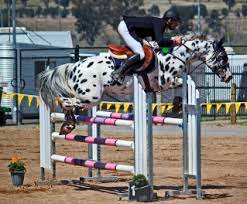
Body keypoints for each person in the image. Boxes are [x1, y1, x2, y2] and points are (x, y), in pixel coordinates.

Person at [111, 7, 182, 84]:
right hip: (127, 28)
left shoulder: (160, 24)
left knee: (145, 49)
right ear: (169, 20)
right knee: (141, 54)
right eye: (176, 21)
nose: (176, 24)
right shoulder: (160, 23)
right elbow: (160, 41)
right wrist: (173, 40)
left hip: (129, 29)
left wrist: (171, 45)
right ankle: (118, 73)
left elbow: (157, 44)